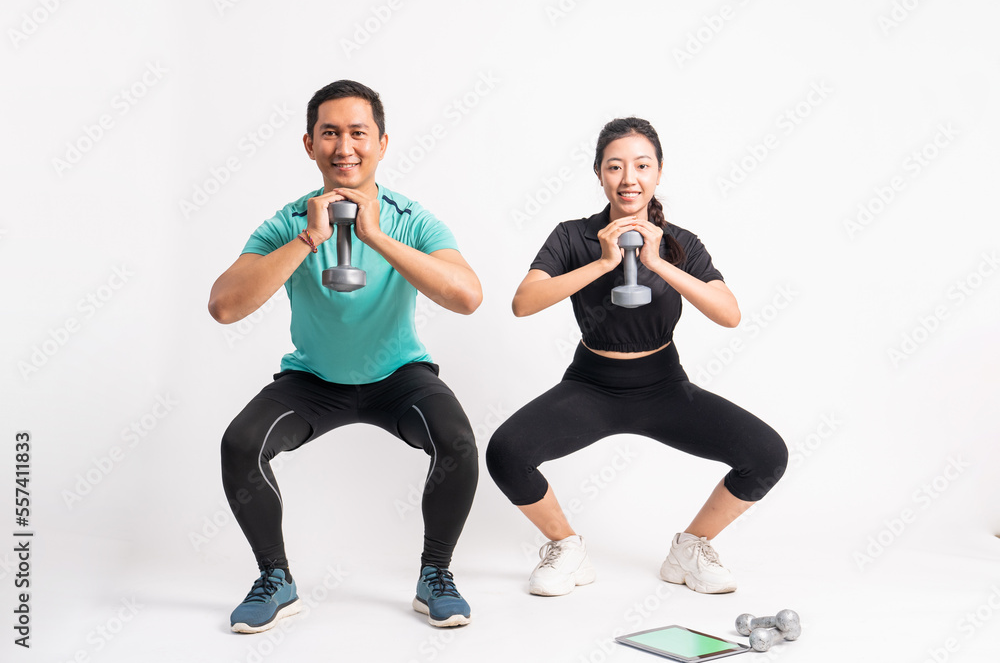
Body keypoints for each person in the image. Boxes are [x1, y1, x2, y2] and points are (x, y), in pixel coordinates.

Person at [208, 80, 482, 632]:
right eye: (329, 133)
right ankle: (275, 581)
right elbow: (224, 306)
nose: (344, 146)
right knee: (240, 443)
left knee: (456, 441)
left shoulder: (411, 218)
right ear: (309, 145)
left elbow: (467, 296)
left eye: (358, 133)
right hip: (313, 380)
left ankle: (436, 576)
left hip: (399, 376)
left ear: (382, 142)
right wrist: (309, 238)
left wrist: (375, 234)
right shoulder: (287, 222)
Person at [486, 117, 788, 597]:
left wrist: (657, 261)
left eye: (642, 165)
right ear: (600, 175)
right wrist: (604, 262)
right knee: (506, 453)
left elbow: (728, 314)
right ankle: (566, 547)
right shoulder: (572, 236)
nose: (629, 178)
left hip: (664, 387)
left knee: (767, 454)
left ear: (659, 173)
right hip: (591, 386)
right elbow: (524, 303)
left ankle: (691, 548)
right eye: (615, 167)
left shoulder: (681, 243)